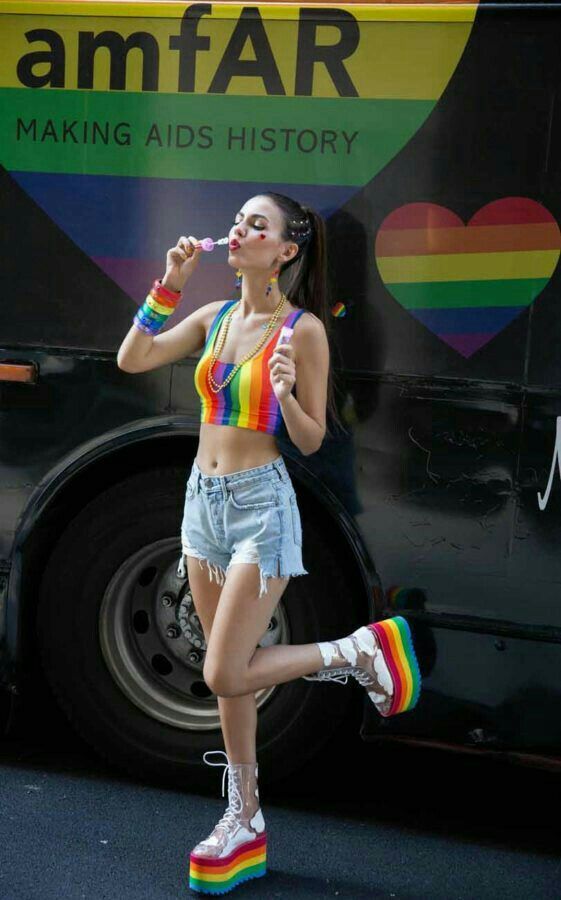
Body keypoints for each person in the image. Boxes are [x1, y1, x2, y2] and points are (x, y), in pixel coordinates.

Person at [117, 192, 421, 894]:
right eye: (240, 220)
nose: (241, 229)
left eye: (259, 224)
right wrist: (171, 281)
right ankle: (243, 817)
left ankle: (356, 651)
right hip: (202, 506)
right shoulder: (215, 315)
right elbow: (134, 357)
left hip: (261, 508)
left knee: (225, 673)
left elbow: (314, 436)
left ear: (285, 250)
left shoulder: (301, 331)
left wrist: (285, 395)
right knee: (230, 671)